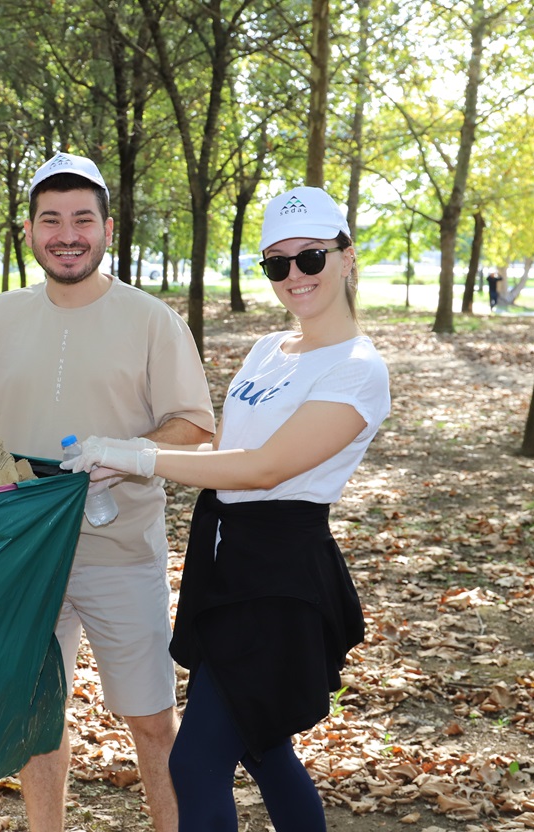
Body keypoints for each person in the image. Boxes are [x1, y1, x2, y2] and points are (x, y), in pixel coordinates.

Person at [0, 152, 214, 832]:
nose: (67, 234)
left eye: (82, 220)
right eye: (51, 220)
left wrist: (131, 454)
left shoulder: (152, 320)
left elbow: (197, 427)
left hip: (119, 547)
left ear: (108, 230)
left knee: (150, 717)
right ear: (27, 231)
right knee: (34, 718)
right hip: (22, 550)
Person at [62, 186, 391, 831]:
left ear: (347, 259)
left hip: (280, 576)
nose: (294, 276)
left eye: (311, 258)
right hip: (225, 561)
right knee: (265, 748)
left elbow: (264, 467)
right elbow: (227, 446)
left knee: (196, 763)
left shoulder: (357, 369)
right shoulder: (270, 348)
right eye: (276, 264)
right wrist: (121, 453)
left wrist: (136, 459)